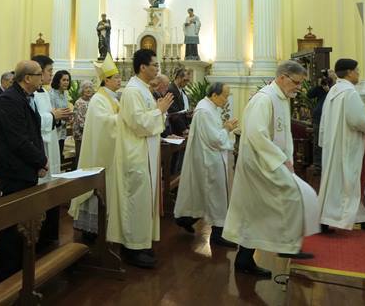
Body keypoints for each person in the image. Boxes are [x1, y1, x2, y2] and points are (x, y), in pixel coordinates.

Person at [223, 60, 319, 277]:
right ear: (282, 77)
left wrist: (286, 158)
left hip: (270, 162)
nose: (299, 87)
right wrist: (280, 159)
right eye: (296, 82)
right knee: (291, 196)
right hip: (260, 164)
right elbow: (256, 134)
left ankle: (247, 258)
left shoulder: (280, 97)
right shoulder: (265, 99)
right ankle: (287, 246)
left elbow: (281, 133)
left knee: (256, 210)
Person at [107, 49, 173, 268]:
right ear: (142, 67)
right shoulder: (132, 91)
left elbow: (150, 120)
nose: (157, 69)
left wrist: (160, 111)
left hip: (146, 152)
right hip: (135, 154)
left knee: (144, 200)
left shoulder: (144, 89)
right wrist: (159, 110)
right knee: (135, 199)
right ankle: (132, 248)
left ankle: (142, 242)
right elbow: (139, 124)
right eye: (155, 65)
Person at [0, 60, 48, 282]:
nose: (42, 77)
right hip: (13, 169)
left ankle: (19, 268)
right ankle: (7, 274)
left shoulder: (24, 97)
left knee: (23, 219)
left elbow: (33, 133)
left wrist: (38, 162)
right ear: (27, 78)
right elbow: (18, 140)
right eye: (39, 74)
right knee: (12, 220)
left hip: (24, 168)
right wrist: (40, 160)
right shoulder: (8, 100)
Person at [317, 58, 365, 233]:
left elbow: (324, 119)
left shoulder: (334, 90)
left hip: (334, 144)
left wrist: (323, 141)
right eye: (357, 70)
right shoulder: (349, 93)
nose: (358, 74)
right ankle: (329, 219)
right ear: (349, 72)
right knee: (348, 182)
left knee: (351, 181)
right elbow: (358, 120)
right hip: (347, 145)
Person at [174, 82, 239, 247]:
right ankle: (217, 234)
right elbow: (214, 139)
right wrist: (227, 128)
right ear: (215, 95)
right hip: (208, 159)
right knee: (215, 195)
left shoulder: (210, 107)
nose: (226, 100)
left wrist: (225, 128)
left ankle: (185, 219)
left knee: (205, 195)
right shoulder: (204, 111)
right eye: (225, 96)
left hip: (210, 157)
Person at [69, 54, 121, 238]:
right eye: (116, 77)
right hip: (98, 152)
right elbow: (103, 123)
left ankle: (106, 226)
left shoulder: (113, 99)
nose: (119, 80)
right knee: (95, 188)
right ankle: (91, 229)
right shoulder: (99, 99)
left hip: (111, 151)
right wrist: (123, 118)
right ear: (106, 80)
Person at [32, 55, 72, 246]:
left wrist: (57, 116)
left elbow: (47, 118)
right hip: (41, 146)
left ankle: (50, 235)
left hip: (52, 143)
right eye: (49, 71)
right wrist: (53, 115)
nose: (51, 74)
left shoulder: (45, 93)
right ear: (39, 72)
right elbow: (33, 122)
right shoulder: (31, 95)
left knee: (52, 185)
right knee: (41, 189)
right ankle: (39, 238)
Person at [71, 80, 95, 166]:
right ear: (82, 90)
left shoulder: (93, 101)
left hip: (90, 134)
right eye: (86, 88)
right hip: (80, 135)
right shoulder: (79, 102)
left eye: (90, 88)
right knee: (80, 157)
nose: (88, 90)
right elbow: (80, 122)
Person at [49, 69, 72, 158]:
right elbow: (52, 112)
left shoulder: (65, 94)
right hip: (54, 129)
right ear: (58, 81)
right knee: (54, 156)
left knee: (60, 154)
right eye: (64, 80)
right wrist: (62, 117)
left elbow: (65, 110)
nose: (66, 82)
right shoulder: (52, 94)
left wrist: (69, 116)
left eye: (68, 80)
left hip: (62, 130)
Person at [168, 67, 192, 136]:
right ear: (178, 77)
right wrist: (184, 129)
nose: (187, 83)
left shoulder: (182, 90)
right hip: (176, 129)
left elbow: (183, 109)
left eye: (188, 81)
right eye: (185, 80)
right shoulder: (171, 90)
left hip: (183, 126)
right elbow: (174, 113)